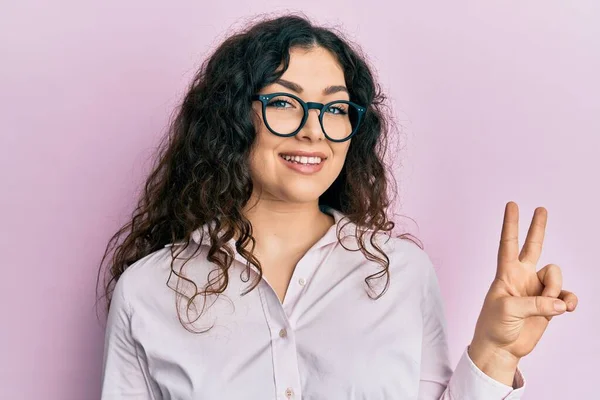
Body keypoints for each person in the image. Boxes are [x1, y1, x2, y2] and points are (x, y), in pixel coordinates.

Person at [97, 13, 578, 400]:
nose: (314, 130)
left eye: (334, 108)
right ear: (233, 117)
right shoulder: (148, 292)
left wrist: (496, 352)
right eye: (285, 103)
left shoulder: (401, 273)